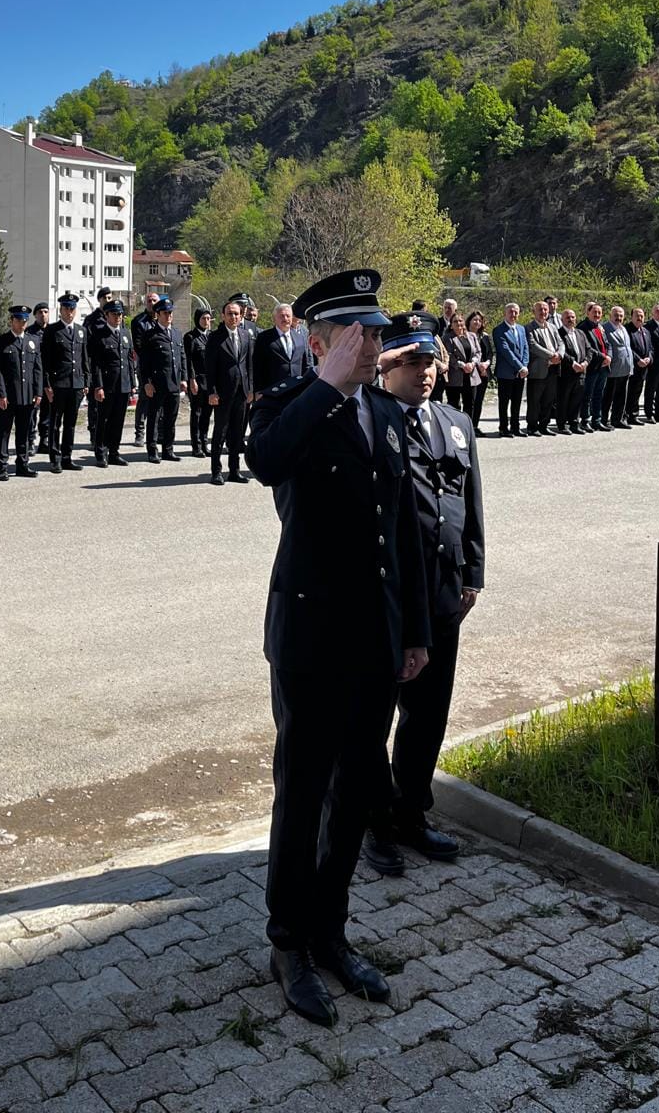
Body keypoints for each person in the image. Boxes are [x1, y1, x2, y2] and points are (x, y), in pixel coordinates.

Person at [246, 268, 429, 1028]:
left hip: (373, 640)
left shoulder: (386, 415)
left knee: (355, 790)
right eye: (363, 333)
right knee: (303, 793)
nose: (378, 344)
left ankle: (330, 930)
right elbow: (264, 463)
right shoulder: (291, 408)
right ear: (322, 343)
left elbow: (405, 532)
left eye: (379, 332)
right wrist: (321, 385)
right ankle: (287, 942)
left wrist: (416, 628)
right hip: (312, 639)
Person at [367, 312, 483, 874]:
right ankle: (374, 822)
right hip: (388, 597)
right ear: (387, 365)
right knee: (373, 717)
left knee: (428, 713)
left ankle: (412, 811)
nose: (425, 371)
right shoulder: (368, 418)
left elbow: (470, 505)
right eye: (410, 360)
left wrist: (472, 573)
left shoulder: (456, 422)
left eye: (430, 359)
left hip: (441, 592)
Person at [205, 299, 254, 485]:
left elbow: (249, 364)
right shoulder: (215, 337)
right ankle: (216, 471)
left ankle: (234, 471)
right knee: (220, 432)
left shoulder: (245, 335)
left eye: (236, 314)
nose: (233, 317)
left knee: (237, 433)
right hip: (223, 393)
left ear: (241, 316)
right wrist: (212, 392)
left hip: (241, 392)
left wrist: (250, 389)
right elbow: (210, 368)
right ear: (223, 316)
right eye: (230, 313)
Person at [0, 305, 43, 481]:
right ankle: (2, 464)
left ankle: (22, 463)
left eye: (24, 320)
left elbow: (37, 368)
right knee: (4, 430)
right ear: (11, 320)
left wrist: (38, 392)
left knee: (24, 430)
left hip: (27, 394)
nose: (22, 323)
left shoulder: (32, 340)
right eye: (19, 320)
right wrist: (0, 394)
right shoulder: (1, 341)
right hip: (8, 395)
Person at [41, 291, 90, 472]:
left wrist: (86, 381)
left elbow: (85, 358)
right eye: (66, 308)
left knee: (71, 423)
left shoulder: (81, 331)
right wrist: (47, 384)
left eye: (72, 309)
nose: (69, 312)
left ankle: (67, 456)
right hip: (58, 384)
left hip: (76, 383)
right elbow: (45, 360)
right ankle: (55, 458)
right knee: (55, 423)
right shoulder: (52, 331)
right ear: (60, 310)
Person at [88, 300, 136, 466]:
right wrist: (98, 386)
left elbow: (130, 360)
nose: (118, 317)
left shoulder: (125, 334)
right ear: (107, 315)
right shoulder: (99, 334)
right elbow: (96, 364)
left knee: (118, 420)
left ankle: (114, 451)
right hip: (107, 385)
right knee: (104, 420)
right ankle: (101, 452)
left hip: (123, 384)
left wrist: (132, 382)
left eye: (120, 314)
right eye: (114, 314)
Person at [139, 296, 187, 462]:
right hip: (158, 384)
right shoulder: (150, 335)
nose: (169, 316)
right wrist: (146, 383)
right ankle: (152, 450)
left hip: (174, 383)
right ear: (158, 314)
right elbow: (143, 363)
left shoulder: (176, 333)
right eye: (165, 313)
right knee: (153, 417)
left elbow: (182, 357)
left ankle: (168, 449)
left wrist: (184, 378)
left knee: (170, 418)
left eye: (170, 313)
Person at [253, 303, 313, 393]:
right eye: (281, 316)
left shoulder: (301, 337)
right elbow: (257, 366)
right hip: (273, 390)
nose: (285, 319)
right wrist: (259, 390)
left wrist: (308, 385)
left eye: (288, 316)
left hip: (297, 389)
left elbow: (307, 363)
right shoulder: (264, 337)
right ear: (274, 319)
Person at [524, 300, 562, 436]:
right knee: (535, 400)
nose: (543, 312)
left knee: (548, 399)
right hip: (538, 369)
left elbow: (560, 342)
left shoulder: (552, 327)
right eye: (540, 309)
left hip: (553, 368)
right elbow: (533, 346)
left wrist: (560, 355)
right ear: (534, 312)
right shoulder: (529, 328)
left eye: (545, 310)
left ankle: (544, 425)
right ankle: (532, 426)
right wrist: (552, 355)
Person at [491, 303, 529, 437]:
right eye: (511, 312)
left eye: (516, 312)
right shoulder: (498, 330)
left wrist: (524, 365)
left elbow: (525, 348)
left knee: (517, 401)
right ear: (505, 313)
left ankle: (515, 426)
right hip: (505, 373)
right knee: (504, 402)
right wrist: (520, 367)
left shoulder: (521, 329)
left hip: (520, 373)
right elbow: (505, 351)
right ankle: (503, 427)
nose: (513, 315)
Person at [83, 288, 114, 443]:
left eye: (110, 297)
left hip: (109, 369)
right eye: (105, 298)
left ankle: (106, 436)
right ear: (100, 300)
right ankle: (94, 435)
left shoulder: (114, 317)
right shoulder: (91, 320)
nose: (108, 300)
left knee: (108, 405)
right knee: (94, 404)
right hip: (94, 366)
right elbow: (86, 346)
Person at [130, 290, 160, 447]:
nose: (152, 303)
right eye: (149, 300)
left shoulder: (163, 319)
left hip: (161, 367)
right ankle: (139, 433)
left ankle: (157, 432)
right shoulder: (138, 321)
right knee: (144, 399)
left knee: (160, 399)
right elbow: (139, 346)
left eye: (155, 300)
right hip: (146, 366)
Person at [183, 307, 213, 457]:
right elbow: (188, 361)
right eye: (203, 318)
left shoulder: (212, 337)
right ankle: (196, 446)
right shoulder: (190, 337)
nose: (206, 322)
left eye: (208, 319)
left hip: (210, 381)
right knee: (197, 413)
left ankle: (204, 442)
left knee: (207, 414)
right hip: (197, 380)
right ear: (197, 319)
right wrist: (191, 379)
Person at [556, 308, 590, 434]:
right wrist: (573, 363)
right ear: (562, 320)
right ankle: (562, 424)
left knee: (577, 399)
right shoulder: (558, 333)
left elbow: (589, 349)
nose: (570, 320)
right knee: (563, 399)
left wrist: (585, 362)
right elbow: (561, 351)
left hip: (581, 371)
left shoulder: (580, 333)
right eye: (567, 318)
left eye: (572, 317)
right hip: (566, 372)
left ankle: (574, 423)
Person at [577, 303, 610, 430]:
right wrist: (603, 357)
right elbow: (588, 348)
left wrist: (609, 357)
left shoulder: (600, 327)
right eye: (594, 312)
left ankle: (597, 420)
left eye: (599, 313)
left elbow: (607, 344)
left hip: (604, 367)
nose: (597, 315)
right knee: (587, 395)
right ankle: (585, 421)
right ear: (588, 313)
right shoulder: (583, 327)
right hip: (592, 367)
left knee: (598, 395)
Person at [26, 302, 52, 455]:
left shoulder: (53, 331)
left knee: (47, 411)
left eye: (46, 311)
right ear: (35, 315)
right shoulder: (30, 332)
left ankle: (45, 440)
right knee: (32, 411)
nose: (43, 315)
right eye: (40, 312)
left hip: (48, 377)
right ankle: (30, 441)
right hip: (33, 377)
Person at [441, 311, 478, 415]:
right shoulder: (447, 338)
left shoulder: (472, 336)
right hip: (455, 376)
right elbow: (448, 355)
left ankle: (468, 428)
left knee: (470, 404)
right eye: (455, 321)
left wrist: (472, 363)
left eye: (460, 320)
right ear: (451, 325)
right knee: (454, 405)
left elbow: (478, 352)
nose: (458, 323)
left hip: (471, 375)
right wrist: (462, 365)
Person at [603, 306, 634, 429]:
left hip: (625, 368)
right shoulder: (605, 328)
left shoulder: (623, 328)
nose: (618, 317)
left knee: (621, 396)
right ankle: (604, 420)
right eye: (616, 315)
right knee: (608, 397)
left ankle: (618, 419)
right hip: (613, 369)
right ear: (610, 316)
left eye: (621, 315)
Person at [465, 310, 493, 434]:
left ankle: (475, 426)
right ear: (469, 321)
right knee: (470, 401)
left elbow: (490, 353)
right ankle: (468, 426)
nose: (477, 322)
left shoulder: (485, 336)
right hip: (471, 372)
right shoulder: (464, 335)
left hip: (484, 372)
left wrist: (486, 364)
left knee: (479, 401)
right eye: (475, 320)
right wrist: (477, 365)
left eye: (480, 320)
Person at [625, 308, 653, 425]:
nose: (639, 318)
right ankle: (626, 414)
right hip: (631, 366)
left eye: (641, 316)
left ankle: (634, 414)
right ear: (631, 316)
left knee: (637, 391)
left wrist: (649, 358)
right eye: (637, 315)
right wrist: (638, 360)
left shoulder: (645, 331)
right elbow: (628, 347)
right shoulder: (627, 330)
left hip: (643, 367)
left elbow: (651, 348)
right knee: (628, 392)